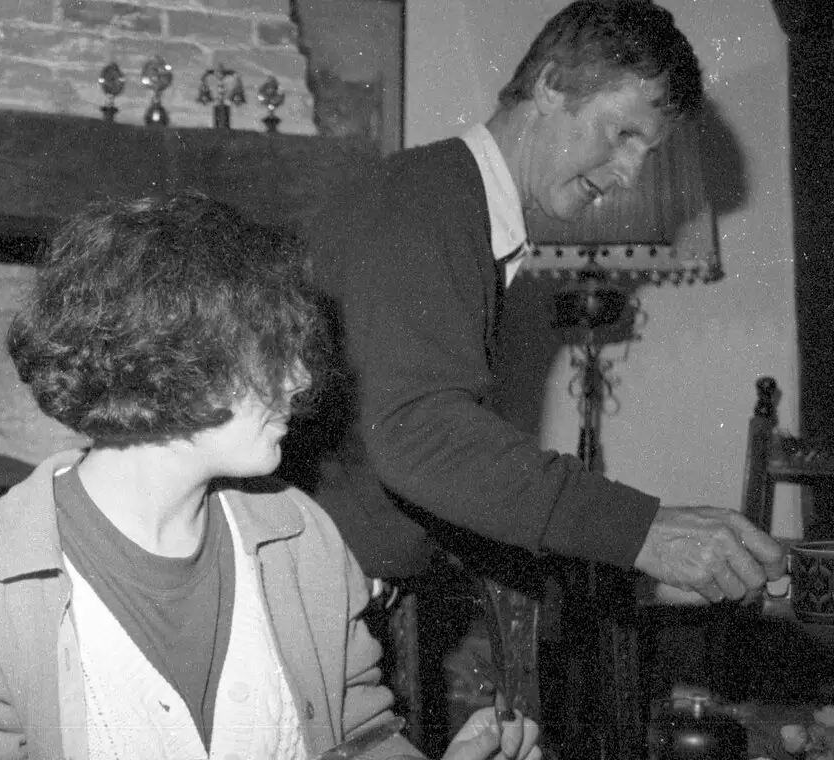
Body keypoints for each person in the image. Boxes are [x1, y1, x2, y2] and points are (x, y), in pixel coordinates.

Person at [0, 194, 541, 760]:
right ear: (168, 362)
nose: (302, 378)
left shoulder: (302, 538)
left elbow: (354, 758)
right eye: (270, 352)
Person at [296, 0, 784, 604]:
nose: (630, 174)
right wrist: (642, 531)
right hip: (322, 601)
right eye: (624, 133)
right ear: (552, 86)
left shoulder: (453, 203)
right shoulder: (427, 205)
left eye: (646, 152)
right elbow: (419, 434)